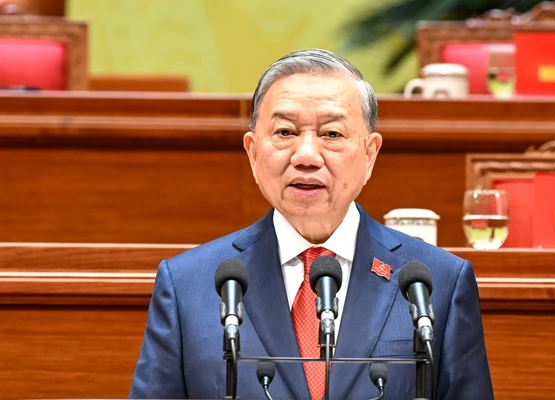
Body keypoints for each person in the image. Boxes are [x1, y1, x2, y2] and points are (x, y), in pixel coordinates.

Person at [129, 48, 494, 400]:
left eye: (331, 134)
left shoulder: (439, 282)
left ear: (369, 155)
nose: (306, 156)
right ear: (253, 152)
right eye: (285, 132)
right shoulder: (187, 285)